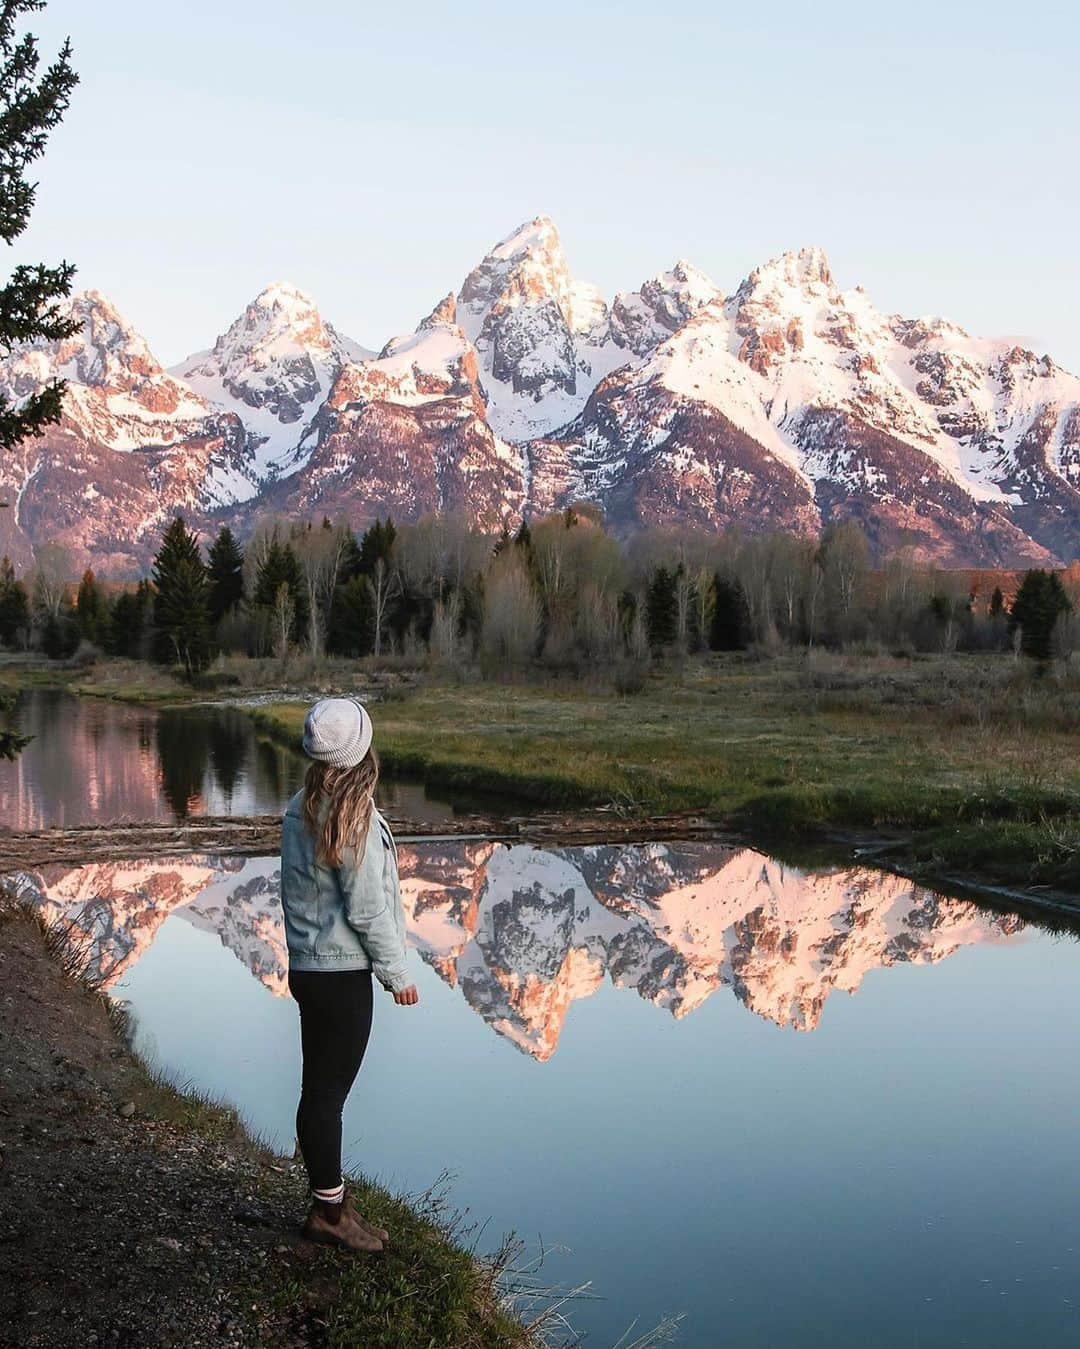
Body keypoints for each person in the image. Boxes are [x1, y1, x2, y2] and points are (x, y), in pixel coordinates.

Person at [280, 697, 418, 1252]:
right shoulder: (352, 814)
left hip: (310, 968)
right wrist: (397, 972)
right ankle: (329, 1216)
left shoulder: (301, 805)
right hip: (342, 975)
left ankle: (330, 1199)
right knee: (327, 1096)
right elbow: (366, 909)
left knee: (320, 1091)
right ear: (361, 751)